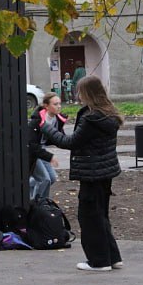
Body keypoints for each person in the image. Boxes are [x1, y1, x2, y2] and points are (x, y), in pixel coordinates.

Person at [41, 75, 123, 272]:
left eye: (80, 91)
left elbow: (70, 142)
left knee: (88, 216)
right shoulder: (107, 113)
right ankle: (112, 257)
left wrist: (45, 127)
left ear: (88, 93)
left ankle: (99, 261)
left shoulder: (92, 118)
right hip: (105, 172)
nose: (78, 94)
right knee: (100, 214)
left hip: (91, 172)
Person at [27, 92, 66, 201]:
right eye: (55, 104)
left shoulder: (57, 119)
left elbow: (60, 138)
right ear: (46, 106)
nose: (59, 106)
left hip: (42, 151)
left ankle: (29, 185)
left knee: (52, 178)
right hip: (33, 153)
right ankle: (38, 205)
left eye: (59, 103)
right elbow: (32, 145)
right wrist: (50, 157)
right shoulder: (36, 121)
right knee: (44, 180)